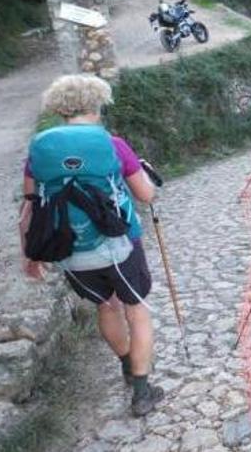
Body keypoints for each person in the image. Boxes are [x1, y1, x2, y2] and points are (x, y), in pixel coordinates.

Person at [19, 74, 163, 417]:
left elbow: (28, 206)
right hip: (117, 245)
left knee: (106, 307)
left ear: (60, 108)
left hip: (68, 252)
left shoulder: (39, 148)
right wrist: (147, 175)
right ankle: (142, 392)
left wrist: (29, 254)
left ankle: (127, 365)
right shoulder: (112, 144)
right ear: (97, 103)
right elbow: (145, 194)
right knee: (137, 309)